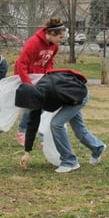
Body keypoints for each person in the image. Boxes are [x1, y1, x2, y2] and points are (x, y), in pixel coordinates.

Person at [15, 69, 106, 173]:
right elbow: (32, 124)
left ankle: (70, 161)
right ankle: (98, 148)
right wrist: (27, 152)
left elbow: (69, 96)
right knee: (78, 128)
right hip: (68, 97)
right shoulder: (36, 97)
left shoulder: (50, 91)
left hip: (78, 96)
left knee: (56, 124)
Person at [14, 17, 66, 146]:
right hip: (29, 78)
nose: (60, 41)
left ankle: (43, 138)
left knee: (45, 108)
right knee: (31, 107)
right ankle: (21, 131)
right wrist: (27, 84)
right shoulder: (33, 42)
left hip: (42, 79)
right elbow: (21, 63)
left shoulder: (54, 47)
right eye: (60, 38)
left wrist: (48, 76)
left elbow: (49, 62)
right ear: (52, 33)